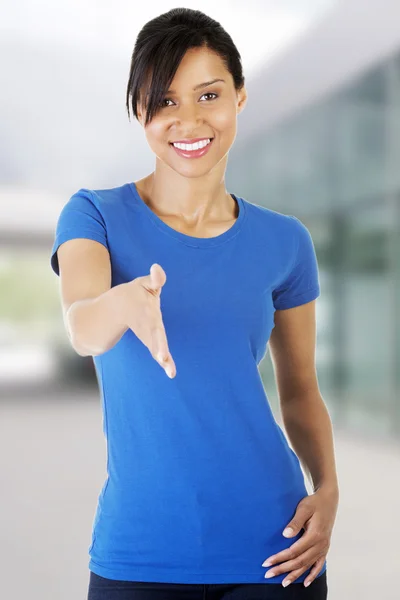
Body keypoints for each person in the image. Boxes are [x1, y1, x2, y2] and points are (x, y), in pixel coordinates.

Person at [50, 7, 339, 600]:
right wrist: (125, 303)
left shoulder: (285, 242)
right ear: (140, 111)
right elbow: (82, 327)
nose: (189, 120)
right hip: (141, 554)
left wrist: (329, 491)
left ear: (240, 98)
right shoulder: (94, 214)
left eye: (209, 94)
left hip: (277, 552)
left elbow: (300, 390)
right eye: (165, 102)